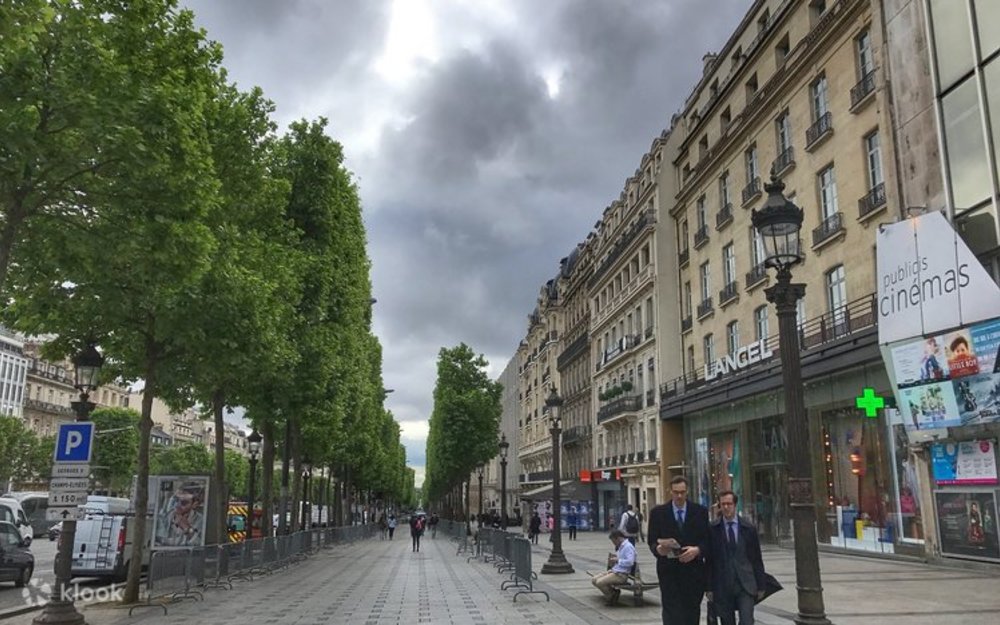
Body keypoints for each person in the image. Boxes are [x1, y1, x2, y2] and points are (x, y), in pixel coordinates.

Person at [648, 475, 709, 625]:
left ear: (687, 491)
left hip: (693, 572)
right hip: (669, 573)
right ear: (670, 491)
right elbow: (652, 540)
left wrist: (697, 550)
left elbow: (707, 540)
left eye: (682, 492)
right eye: (676, 492)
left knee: (691, 613)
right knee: (671, 614)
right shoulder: (658, 513)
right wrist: (658, 549)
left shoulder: (700, 512)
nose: (679, 496)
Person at [707, 491, 768, 625]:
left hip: (745, 584)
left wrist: (761, 585)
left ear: (735, 505)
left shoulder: (748, 528)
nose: (726, 507)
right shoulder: (713, 529)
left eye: (729, 504)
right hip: (723, 585)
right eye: (723, 504)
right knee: (727, 622)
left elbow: (756, 558)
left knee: (747, 620)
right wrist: (709, 587)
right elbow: (710, 561)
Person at [591, 529, 636, 606]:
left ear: (618, 538)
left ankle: (611, 596)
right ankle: (613, 592)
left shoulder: (628, 547)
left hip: (621, 574)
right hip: (616, 571)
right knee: (594, 579)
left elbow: (630, 562)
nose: (614, 543)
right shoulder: (621, 546)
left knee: (600, 583)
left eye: (614, 541)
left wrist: (618, 560)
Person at [155, 481, 206, 547]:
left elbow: (199, 545)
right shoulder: (165, 517)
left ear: (194, 504)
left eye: (183, 503)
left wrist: (187, 528)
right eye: (176, 500)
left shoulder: (200, 521)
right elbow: (158, 540)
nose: (177, 505)